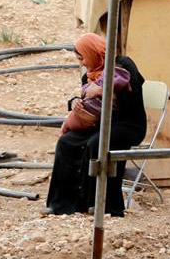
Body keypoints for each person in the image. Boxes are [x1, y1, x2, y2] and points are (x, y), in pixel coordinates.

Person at [44, 33, 146, 217]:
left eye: (82, 57)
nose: (82, 63)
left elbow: (133, 96)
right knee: (67, 142)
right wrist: (75, 102)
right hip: (99, 124)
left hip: (128, 124)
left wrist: (105, 90)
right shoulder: (89, 76)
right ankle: (62, 203)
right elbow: (86, 99)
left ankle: (105, 205)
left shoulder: (122, 65)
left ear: (92, 52)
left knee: (97, 144)